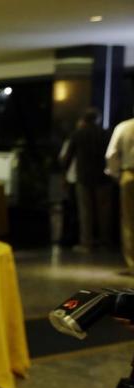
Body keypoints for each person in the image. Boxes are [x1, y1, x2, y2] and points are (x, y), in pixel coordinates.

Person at [62, 109, 114, 252]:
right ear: (97, 119)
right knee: (104, 212)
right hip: (103, 178)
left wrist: (64, 174)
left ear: (84, 120)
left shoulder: (77, 134)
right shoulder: (106, 134)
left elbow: (68, 157)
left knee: (85, 212)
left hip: (83, 177)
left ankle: (86, 242)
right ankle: (105, 241)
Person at [106, 115, 134, 275]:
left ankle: (133, 264)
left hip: (129, 174)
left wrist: (116, 174)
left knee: (129, 221)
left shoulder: (123, 127)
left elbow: (112, 154)